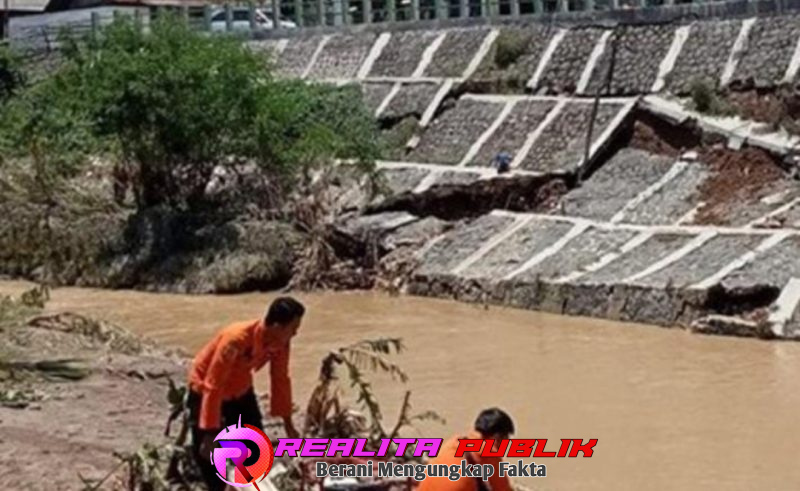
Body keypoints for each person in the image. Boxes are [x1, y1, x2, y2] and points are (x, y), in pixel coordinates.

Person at [186, 296, 305, 491]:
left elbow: (280, 379)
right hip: (206, 388)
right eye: (293, 328)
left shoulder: (281, 343)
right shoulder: (236, 340)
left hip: (240, 388)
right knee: (210, 457)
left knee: (256, 449)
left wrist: (288, 425)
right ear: (276, 326)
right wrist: (209, 433)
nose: (296, 333)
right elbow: (213, 384)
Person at [418, 408, 515, 491]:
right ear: (497, 437)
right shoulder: (488, 450)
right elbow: (503, 489)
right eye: (506, 439)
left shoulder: (453, 442)